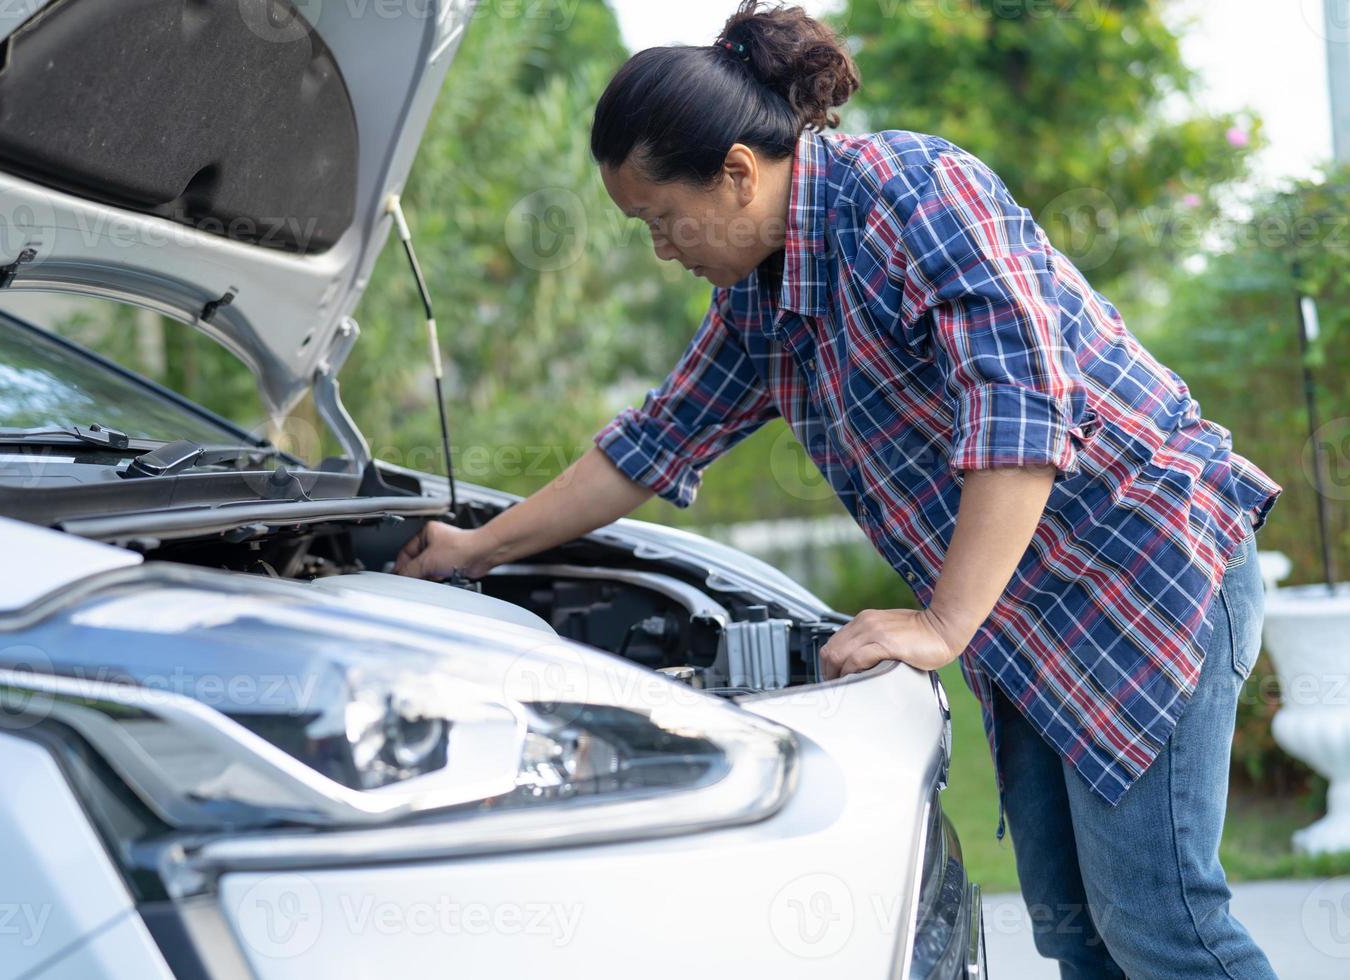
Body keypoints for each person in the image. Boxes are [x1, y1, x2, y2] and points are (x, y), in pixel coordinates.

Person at [395, 2, 1282, 976]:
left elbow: (1023, 416)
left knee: (1162, 924)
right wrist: (475, 546)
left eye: (659, 218)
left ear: (737, 173)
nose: (660, 247)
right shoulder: (760, 302)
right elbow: (648, 444)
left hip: (1144, 569)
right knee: (1079, 938)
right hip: (1026, 609)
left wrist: (942, 625)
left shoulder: (919, 193)